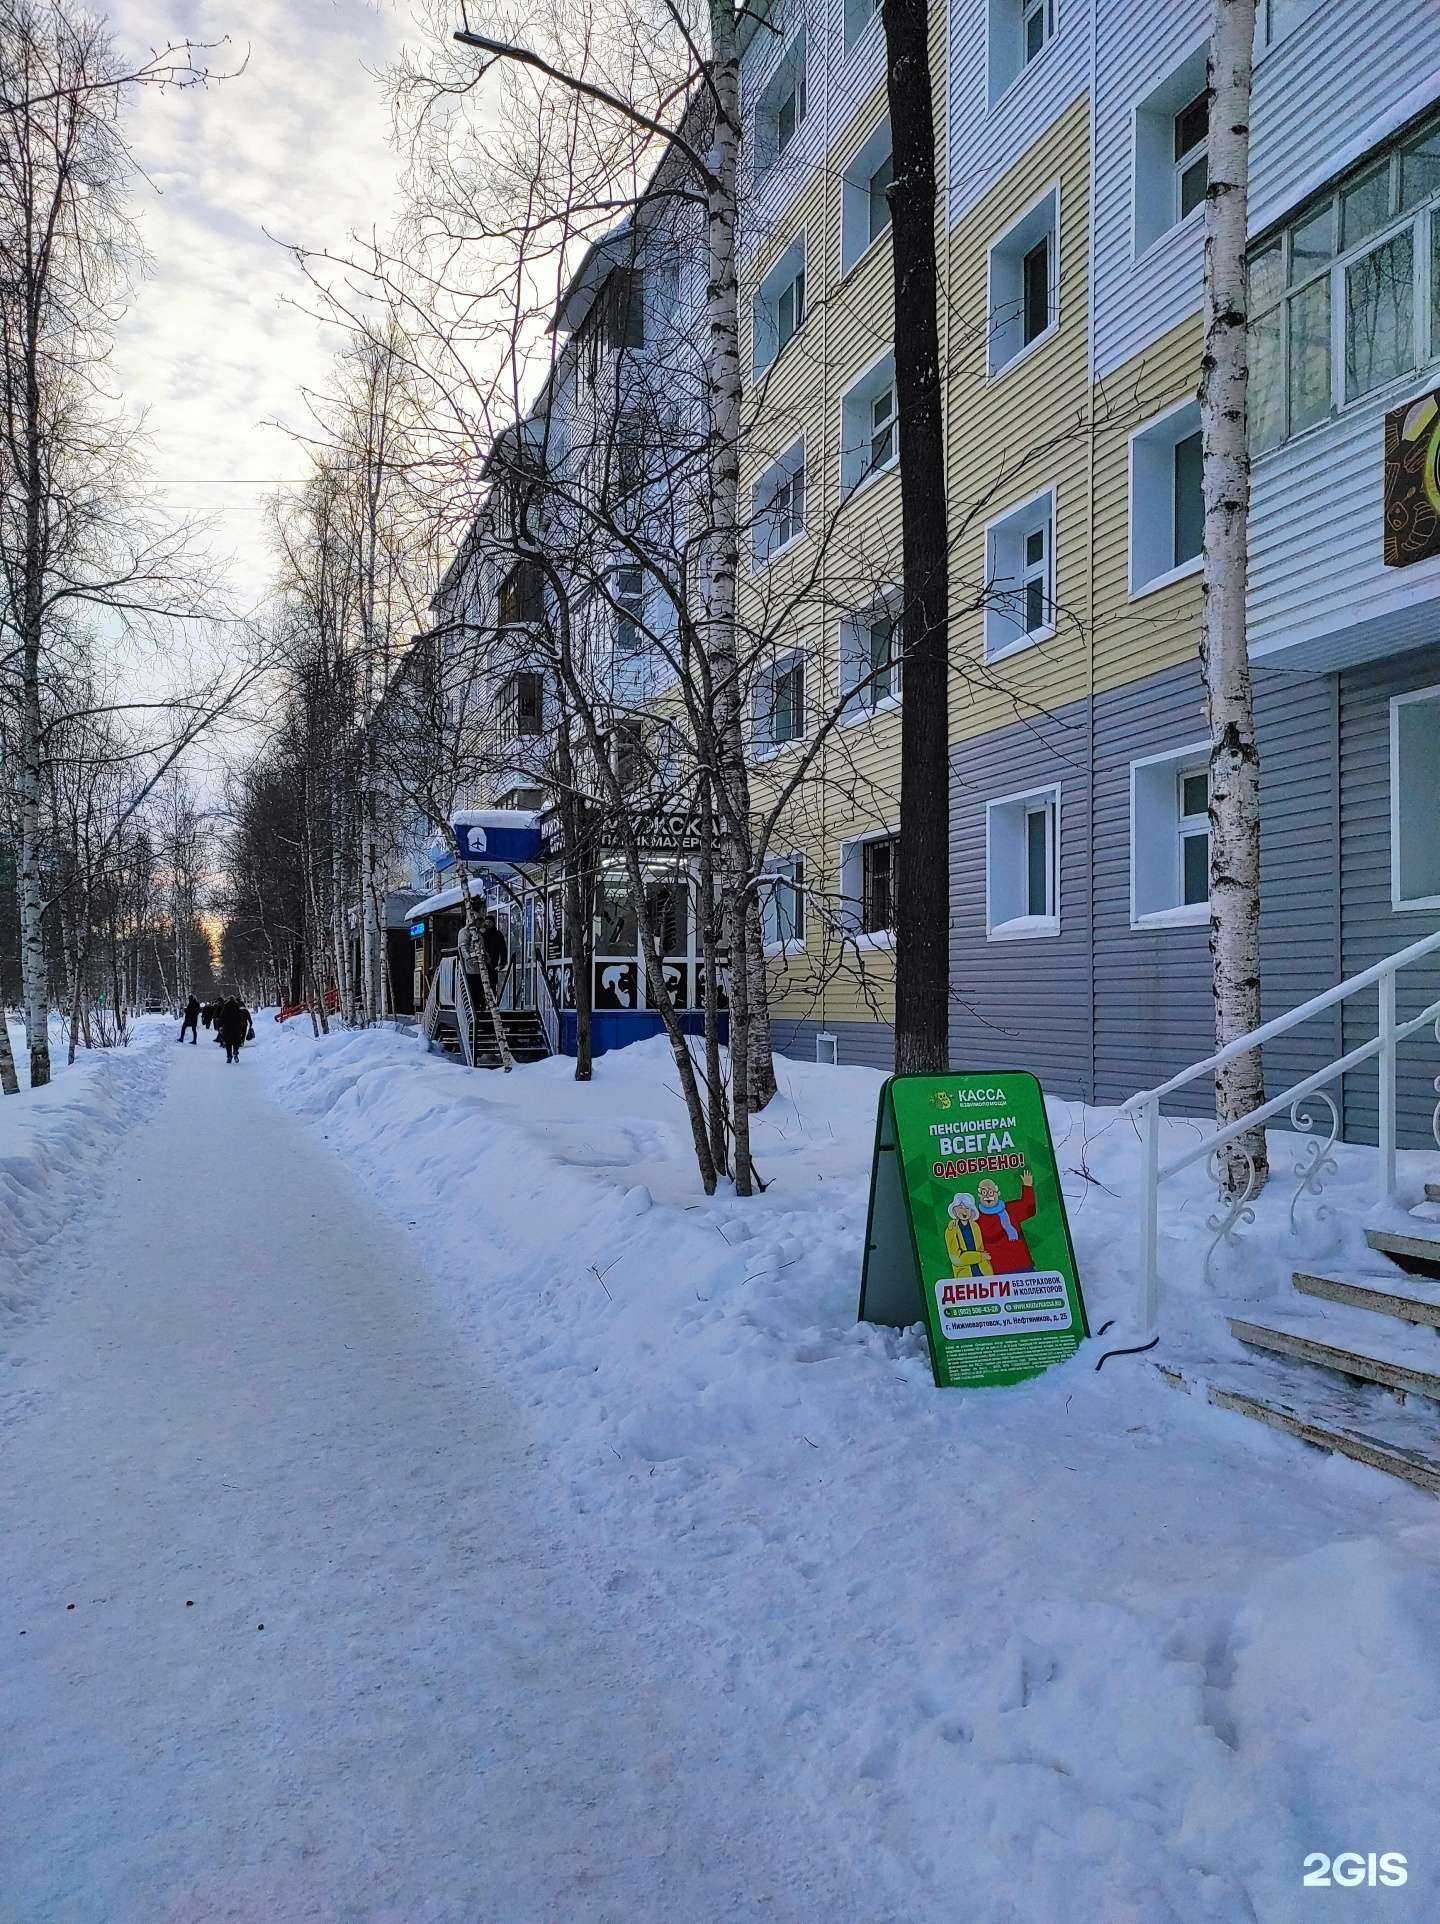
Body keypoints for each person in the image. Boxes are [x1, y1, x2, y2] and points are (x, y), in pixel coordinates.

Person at [974, 1171, 1038, 1274]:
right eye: (984, 1192)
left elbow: (1029, 1209)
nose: (987, 1196)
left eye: (990, 1192)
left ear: (997, 1193)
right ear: (979, 1195)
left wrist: (1027, 1186)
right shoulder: (977, 1218)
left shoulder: (1010, 1209)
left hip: (1022, 1265)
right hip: (998, 1270)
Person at [945, 1194, 993, 1279]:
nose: (964, 1211)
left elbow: (981, 1249)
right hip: (965, 1277)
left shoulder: (975, 1226)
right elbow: (956, 1259)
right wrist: (980, 1256)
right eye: (960, 1208)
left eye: (967, 1208)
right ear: (954, 1210)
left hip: (984, 1273)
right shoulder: (951, 1230)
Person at [216, 996, 250, 1065]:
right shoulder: (237, 1007)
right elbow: (240, 1018)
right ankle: (235, 1053)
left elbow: (222, 1017)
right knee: (236, 1042)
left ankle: (229, 1057)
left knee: (228, 1043)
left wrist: (219, 1025)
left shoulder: (225, 1007)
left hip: (227, 1028)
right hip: (235, 1028)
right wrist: (240, 1026)